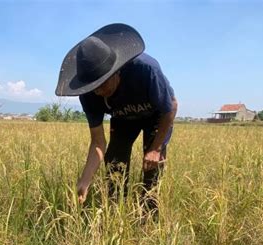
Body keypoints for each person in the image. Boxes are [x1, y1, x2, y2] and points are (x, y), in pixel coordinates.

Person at [55, 23, 177, 221]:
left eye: (103, 85)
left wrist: (155, 148)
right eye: (94, 88)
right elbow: (97, 142)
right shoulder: (89, 93)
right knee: (114, 164)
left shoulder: (146, 70)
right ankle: (115, 214)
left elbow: (171, 107)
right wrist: (84, 181)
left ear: (117, 70)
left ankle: (148, 219)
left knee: (152, 170)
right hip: (123, 118)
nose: (99, 92)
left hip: (156, 116)